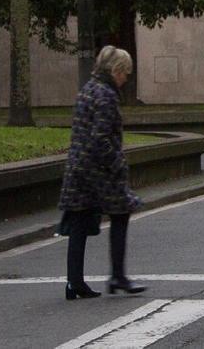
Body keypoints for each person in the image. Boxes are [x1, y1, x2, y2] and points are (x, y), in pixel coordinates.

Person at [58, 46, 146, 300]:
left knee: (78, 222)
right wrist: (117, 163)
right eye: (125, 73)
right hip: (99, 171)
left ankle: (74, 282)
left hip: (79, 167)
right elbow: (101, 138)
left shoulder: (87, 89)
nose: (126, 78)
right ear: (116, 70)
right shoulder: (106, 95)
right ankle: (117, 275)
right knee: (121, 212)